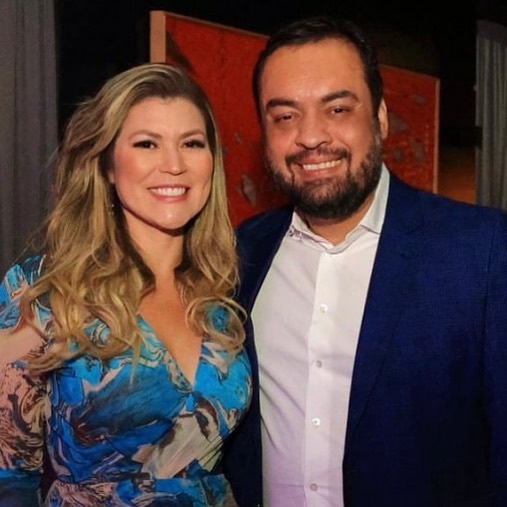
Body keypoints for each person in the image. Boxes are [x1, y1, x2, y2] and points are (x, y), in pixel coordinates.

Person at [222, 15, 507, 507]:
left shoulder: (482, 251)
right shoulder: (242, 251)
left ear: (380, 117)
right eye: (285, 116)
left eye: (336, 109)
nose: (310, 137)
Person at [0, 62, 252, 507]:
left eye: (192, 143)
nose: (174, 165)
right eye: (147, 143)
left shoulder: (219, 296)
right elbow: (9, 477)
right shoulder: (45, 291)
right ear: (108, 166)